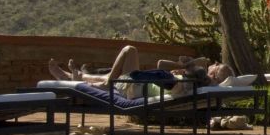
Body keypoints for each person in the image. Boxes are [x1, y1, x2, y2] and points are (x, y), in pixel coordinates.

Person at [48, 45, 234, 96]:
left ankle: (78, 78)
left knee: (130, 50)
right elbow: (161, 64)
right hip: (137, 84)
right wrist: (186, 66)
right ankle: (74, 76)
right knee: (116, 75)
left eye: (216, 65)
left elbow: (161, 65)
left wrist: (186, 65)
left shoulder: (196, 77)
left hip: (135, 87)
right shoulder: (196, 80)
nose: (213, 62)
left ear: (214, 74)